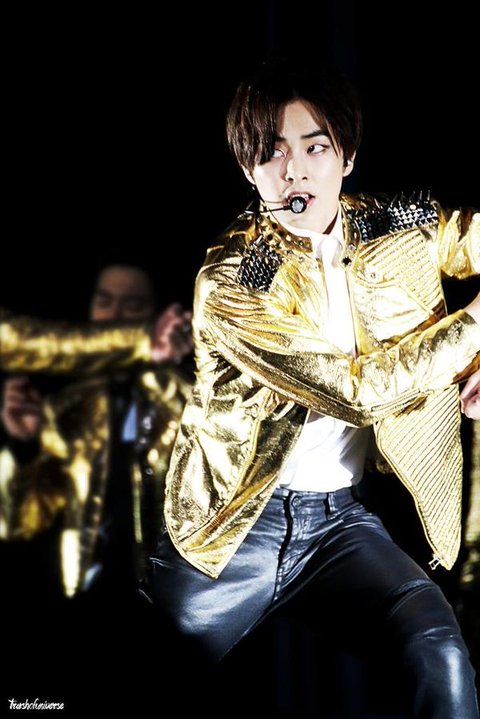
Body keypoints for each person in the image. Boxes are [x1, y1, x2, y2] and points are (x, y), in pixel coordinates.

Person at [139, 58, 480, 718]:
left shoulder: (393, 219)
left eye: (315, 147)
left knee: (438, 648)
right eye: (272, 152)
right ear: (249, 169)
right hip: (232, 533)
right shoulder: (234, 277)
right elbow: (358, 390)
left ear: (346, 157)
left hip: (339, 526)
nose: (294, 170)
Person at [0, 262, 192, 601]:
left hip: (170, 604)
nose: (114, 316)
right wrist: (23, 446)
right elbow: (16, 523)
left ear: (158, 317)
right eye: (104, 302)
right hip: (87, 600)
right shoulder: (68, 409)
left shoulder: (191, 402)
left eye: (132, 305)